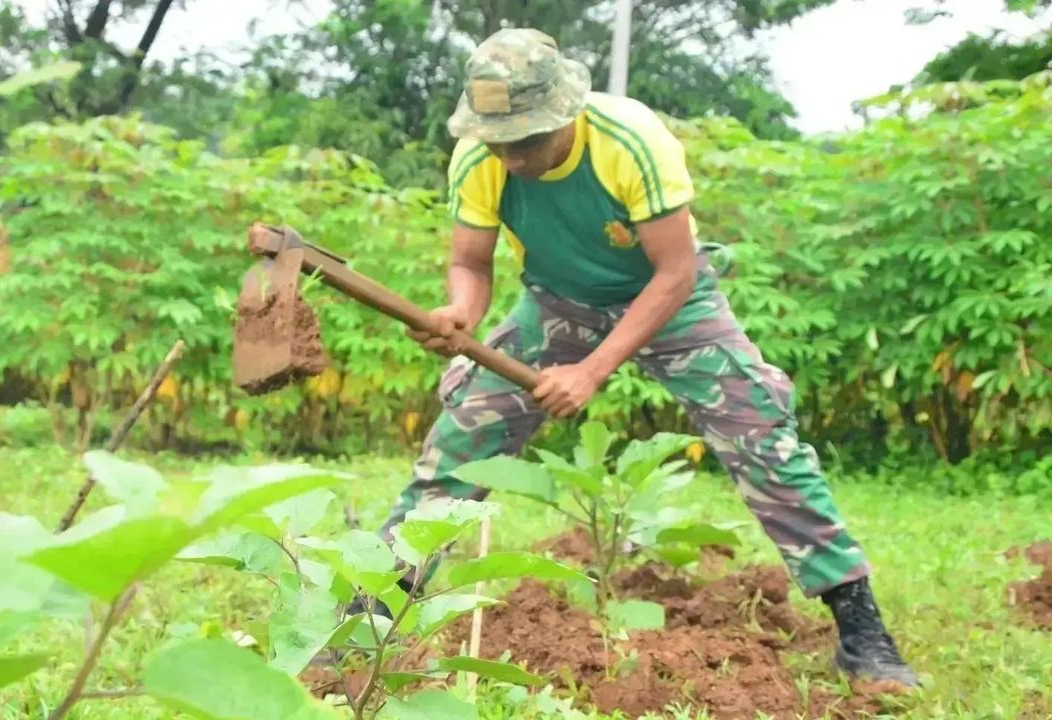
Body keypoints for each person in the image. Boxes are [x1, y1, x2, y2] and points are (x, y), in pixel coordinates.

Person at [369, 27, 918, 687]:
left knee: (762, 436)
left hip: (672, 304)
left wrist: (592, 370)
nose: (512, 158)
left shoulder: (631, 141)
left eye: (528, 140)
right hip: (556, 305)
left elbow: (675, 273)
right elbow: (469, 262)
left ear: (566, 113)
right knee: (460, 438)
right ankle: (369, 616)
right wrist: (462, 312)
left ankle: (863, 631)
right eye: (499, 141)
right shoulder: (478, 156)